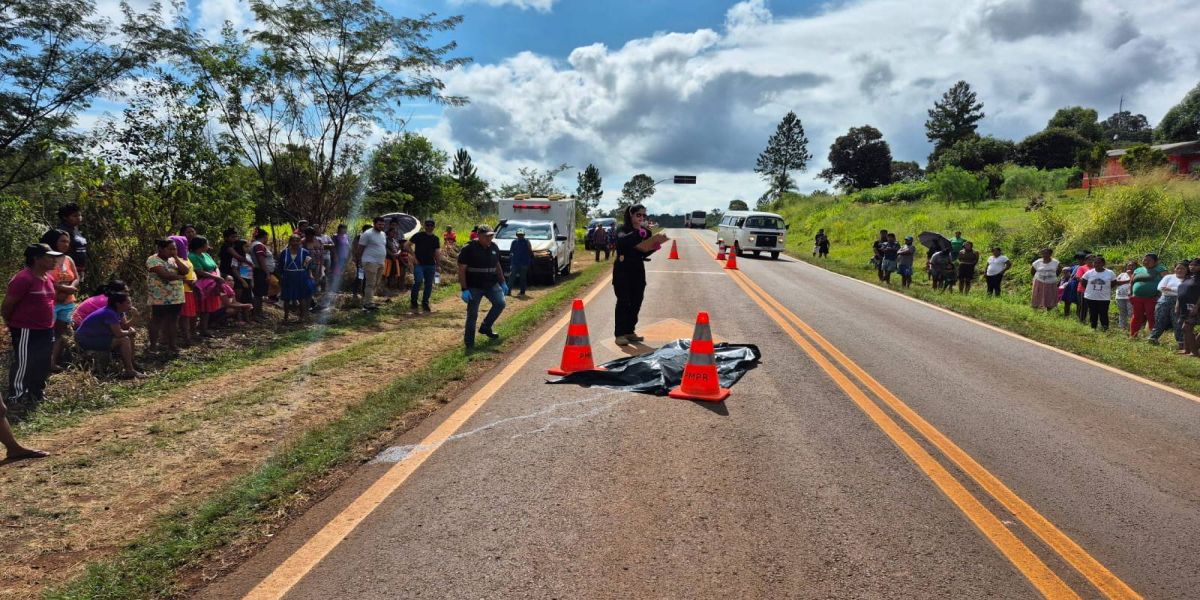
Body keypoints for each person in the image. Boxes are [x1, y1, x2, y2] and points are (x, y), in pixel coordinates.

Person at [0, 244, 57, 461]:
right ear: (36, 258)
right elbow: (7, 306)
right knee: (23, 361)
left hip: (45, 328)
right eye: (48, 257)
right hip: (25, 328)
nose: (53, 261)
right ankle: (17, 395)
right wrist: (12, 324)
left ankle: (36, 391)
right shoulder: (23, 279)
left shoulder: (48, 278)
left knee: (42, 362)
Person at [612, 204, 669, 346]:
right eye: (638, 215)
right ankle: (619, 334)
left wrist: (654, 247)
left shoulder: (646, 232)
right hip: (623, 269)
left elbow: (643, 252)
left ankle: (629, 331)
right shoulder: (622, 228)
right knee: (623, 301)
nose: (641, 218)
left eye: (644, 215)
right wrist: (637, 233)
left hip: (638, 268)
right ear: (631, 215)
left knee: (637, 300)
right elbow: (621, 242)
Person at [457, 224, 507, 349]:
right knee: (472, 314)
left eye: (491, 236)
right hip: (474, 286)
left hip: (491, 284)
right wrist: (464, 289)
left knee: (500, 303)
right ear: (478, 236)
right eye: (486, 236)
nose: (489, 239)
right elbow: (462, 269)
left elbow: (497, 265)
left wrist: (503, 282)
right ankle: (469, 343)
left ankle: (486, 327)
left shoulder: (494, 247)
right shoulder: (468, 249)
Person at [76, 292, 143, 379]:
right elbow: (119, 333)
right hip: (85, 339)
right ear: (118, 304)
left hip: (98, 336)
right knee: (124, 339)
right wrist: (130, 332)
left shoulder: (119, 312)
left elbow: (124, 326)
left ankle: (132, 363)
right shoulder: (109, 313)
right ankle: (129, 370)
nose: (131, 305)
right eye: (128, 302)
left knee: (128, 336)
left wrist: (135, 317)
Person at [41, 229, 78, 372]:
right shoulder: (45, 259)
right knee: (46, 333)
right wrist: (62, 288)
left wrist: (71, 288)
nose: (66, 244)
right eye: (62, 241)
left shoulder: (69, 259)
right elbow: (43, 279)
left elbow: (76, 277)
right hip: (51, 303)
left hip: (67, 303)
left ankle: (53, 362)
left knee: (60, 333)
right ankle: (42, 362)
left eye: (67, 241)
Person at [147, 238, 188, 354]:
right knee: (157, 320)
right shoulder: (153, 260)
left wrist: (175, 258)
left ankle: (172, 345)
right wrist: (178, 277)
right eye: (170, 249)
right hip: (160, 297)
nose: (173, 251)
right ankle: (153, 346)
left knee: (173, 320)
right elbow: (164, 275)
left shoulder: (173, 259)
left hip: (176, 297)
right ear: (161, 249)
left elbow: (185, 271)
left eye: (174, 249)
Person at [189, 236, 223, 338]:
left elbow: (215, 266)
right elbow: (199, 271)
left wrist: (218, 276)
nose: (208, 246)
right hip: (200, 285)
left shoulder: (206, 254)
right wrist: (216, 277)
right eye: (206, 244)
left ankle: (203, 330)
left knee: (206, 309)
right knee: (197, 309)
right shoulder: (192, 256)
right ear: (201, 245)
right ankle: (193, 332)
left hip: (211, 284)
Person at [1150, 261, 1188, 349]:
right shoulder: (1168, 277)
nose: (1179, 270)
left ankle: (1181, 343)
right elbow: (1160, 287)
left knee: (1178, 322)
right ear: (1174, 269)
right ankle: (1153, 338)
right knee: (1160, 319)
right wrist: (1177, 290)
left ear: (1187, 270)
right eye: (1177, 268)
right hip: (1164, 301)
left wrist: (1170, 288)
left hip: (1179, 302)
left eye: (1182, 268)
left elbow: (1185, 291)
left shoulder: (1188, 279)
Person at [1129, 253, 1165, 338]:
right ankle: (1133, 335)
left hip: (1152, 298)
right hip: (1137, 298)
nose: (1146, 262)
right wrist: (1130, 293)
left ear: (1156, 262)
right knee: (1136, 316)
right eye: (1144, 260)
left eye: (1149, 260)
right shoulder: (1138, 270)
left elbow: (1167, 281)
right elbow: (1132, 282)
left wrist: (1161, 295)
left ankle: (1153, 337)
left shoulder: (1161, 269)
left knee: (1151, 316)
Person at [355, 217, 388, 311]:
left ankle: (370, 300)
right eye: (379, 224)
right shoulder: (367, 234)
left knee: (376, 283)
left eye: (382, 224)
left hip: (380, 262)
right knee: (370, 283)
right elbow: (360, 248)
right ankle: (368, 303)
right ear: (374, 223)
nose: (381, 226)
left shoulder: (383, 234)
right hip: (369, 261)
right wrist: (359, 261)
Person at [279, 235, 314, 324]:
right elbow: (280, 266)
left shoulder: (305, 252)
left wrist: (309, 275)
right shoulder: (284, 252)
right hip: (288, 276)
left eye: (297, 241)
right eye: (293, 241)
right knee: (286, 298)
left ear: (300, 242)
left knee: (301, 297)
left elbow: (308, 265)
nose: (295, 243)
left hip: (301, 276)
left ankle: (302, 317)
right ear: (290, 242)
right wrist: (280, 277)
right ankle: (286, 317)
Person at [409, 219, 441, 311]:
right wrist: (414, 257)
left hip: (431, 264)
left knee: (429, 284)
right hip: (419, 264)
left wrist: (438, 265)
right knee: (418, 281)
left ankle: (425, 303)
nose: (429, 227)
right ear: (424, 226)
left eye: (431, 225)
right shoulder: (418, 235)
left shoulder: (435, 239)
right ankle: (414, 302)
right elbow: (407, 245)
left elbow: (437, 252)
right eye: (427, 225)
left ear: (434, 227)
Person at [1081, 255, 1115, 331]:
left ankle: (1105, 328)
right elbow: (1083, 282)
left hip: (1104, 298)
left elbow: (1113, 283)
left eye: (1099, 263)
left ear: (1103, 264)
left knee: (1103, 314)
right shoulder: (1089, 273)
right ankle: (1093, 328)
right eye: (1095, 263)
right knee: (1093, 314)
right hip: (1091, 297)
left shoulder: (1110, 273)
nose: (1096, 264)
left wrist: (1105, 289)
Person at [57, 203, 88, 277]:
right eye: (75, 216)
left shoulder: (75, 228)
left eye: (80, 215)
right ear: (65, 217)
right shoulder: (62, 231)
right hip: (67, 269)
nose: (79, 218)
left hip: (79, 269)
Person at [1176, 259, 1200, 356]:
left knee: (1186, 328)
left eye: (1195, 265)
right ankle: (1187, 350)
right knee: (1186, 328)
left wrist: (1197, 306)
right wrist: (1177, 305)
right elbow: (1181, 291)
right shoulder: (1189, 277)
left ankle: (1194, 352)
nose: (1192, 267)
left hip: (1195, 307)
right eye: (1191, 265)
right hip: (1185, 306)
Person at [250, 229, 275, 319]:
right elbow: (261, 260)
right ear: (265, 236)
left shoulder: (255, 244)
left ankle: (259, 313)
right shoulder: (259, 245)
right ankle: (256, 314)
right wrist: (267, 273)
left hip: (260, 271)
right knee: (258, 294)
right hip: (260, 272)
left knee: (260, 294)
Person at [1114, 260, 1137, 331]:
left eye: (1132, 265)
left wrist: (1130, 275)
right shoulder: (1122, 274)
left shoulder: (1137, 274)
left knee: (1131, 313)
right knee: (1122, 312)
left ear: (1135, 267)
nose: (1130, 267)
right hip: (1120, 296)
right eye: (1129, 265)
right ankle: (1122, 327)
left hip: (1130, 297)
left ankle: (1132, 328)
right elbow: (1116, 282)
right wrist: (1128, 280)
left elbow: (1134, 282)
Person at [509, 228, 533, 297]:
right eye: (519, 234)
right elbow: (511, 251)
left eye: (521, 234)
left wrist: (530, 259)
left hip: (524, 263)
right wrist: (511, 256)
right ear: (516, 235)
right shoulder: (514, 242)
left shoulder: (527, 241)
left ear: (524, 235)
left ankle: (522, 291)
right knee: (512, 277)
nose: (520, 236)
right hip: (515, 262)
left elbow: (530, 250)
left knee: (523, 278)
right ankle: (508, 291)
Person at [331, 224, 350, 291]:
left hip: (345, 257)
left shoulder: (346, 236)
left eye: (345, 228)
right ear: (339, 229)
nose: (345, 230)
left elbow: (348, 247)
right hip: (338, 257)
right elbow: (333, 248)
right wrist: (335, 256)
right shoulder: (335, 236)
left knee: (342, 272)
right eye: (343, 228)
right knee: (336, 273)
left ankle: (340, 287)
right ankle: (334, 288)